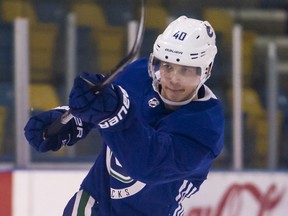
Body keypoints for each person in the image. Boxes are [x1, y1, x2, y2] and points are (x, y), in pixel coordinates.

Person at [24, 16, 224, 216]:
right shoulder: (139, 75)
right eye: (167, 66)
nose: (173, 79)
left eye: (186, 70)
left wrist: (114, 114)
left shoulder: (206, 128)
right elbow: (104, 107)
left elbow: (147, 165)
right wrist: (73, 118)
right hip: (95, 203)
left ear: (206, 71)